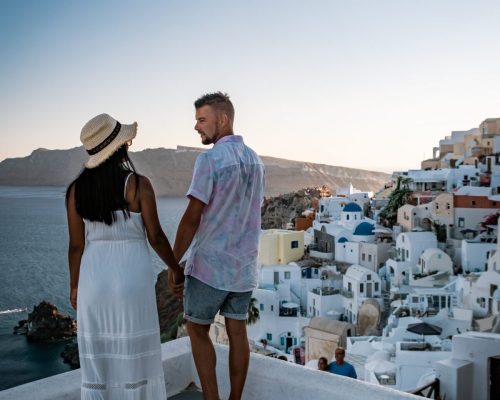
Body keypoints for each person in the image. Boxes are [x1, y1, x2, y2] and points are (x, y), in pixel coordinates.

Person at [66, 113, 183, 399]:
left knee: (99, 360)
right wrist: (174, 268)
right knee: (135, 358)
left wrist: (74, 286)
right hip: (131, 279)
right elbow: (155, 236)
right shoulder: (138, 185)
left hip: (93, 281)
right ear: (121, 147)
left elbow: (76, 246)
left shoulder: (75, 191)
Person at [171, 92, 265, 400]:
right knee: (238, 332)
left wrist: (174, 264)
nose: (197, 127)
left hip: (211, 267)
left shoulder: (209, 160)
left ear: (222, 120)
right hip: (244, 268)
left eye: (202, 120)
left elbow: (191, 219)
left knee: (196, 327)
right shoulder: (256, 161)